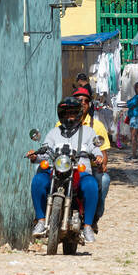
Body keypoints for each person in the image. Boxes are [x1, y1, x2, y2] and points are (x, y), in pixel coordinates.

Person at [27, 96, 101, 245]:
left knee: (91, 185)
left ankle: (87, 226)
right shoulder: (54, 133)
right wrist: (35, 155)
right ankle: (41, 220)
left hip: (80, 171)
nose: (69, 116)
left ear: (79, 114)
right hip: (56, 171)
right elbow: (45, 150)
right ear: (61, 115)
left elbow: (95, 149)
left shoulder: (88, 132)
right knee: (38, 180)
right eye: (66, 113)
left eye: (73, 113)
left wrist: (98, 157)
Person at [73, 86, 110, 232]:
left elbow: (103, 153)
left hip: (88, 167)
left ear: (89, 105)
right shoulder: (62, 124)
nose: (82, 103)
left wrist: (101, 162)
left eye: (85, 101)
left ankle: (94, 217)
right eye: (78, 100)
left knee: (104, 180)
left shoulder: (98, 126)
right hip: (66, 165)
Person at [126, 82, 138, 158]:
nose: (135, 89)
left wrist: (129, 101)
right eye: (135, 87)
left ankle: (134, 154)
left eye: (136, 87)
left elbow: (129, 103)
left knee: (133, 136)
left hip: (135, 117)